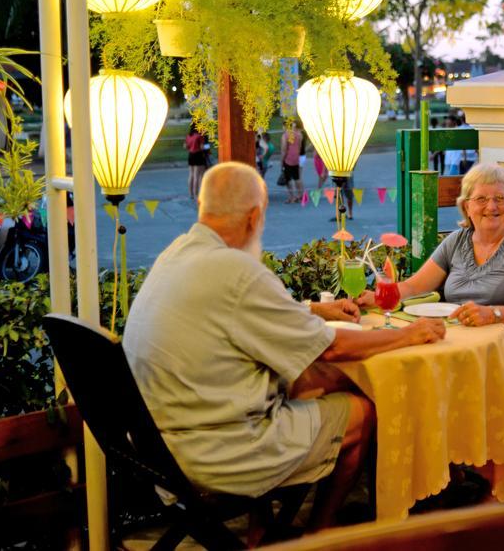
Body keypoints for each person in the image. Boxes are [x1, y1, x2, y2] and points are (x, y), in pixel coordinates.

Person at [123, 163, 445, 530]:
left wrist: (314, 310)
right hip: (215, 452)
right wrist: (409, 335)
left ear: (203, 205)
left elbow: (238, 311)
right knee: (362, 411)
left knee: (316, 381)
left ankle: (267, 530)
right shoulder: (235, 270)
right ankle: (318, 533)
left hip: (159, 447)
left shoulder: (177, 254)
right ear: (255, 215)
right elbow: (332, 349)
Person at [358, 162, 504, 402]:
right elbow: (415, 286)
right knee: (410, 361)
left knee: (437, 377)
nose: (491, 206)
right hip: (467, 347)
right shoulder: (457, 241)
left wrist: (492, 314)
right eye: (481, 199)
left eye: (500, 198)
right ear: (467, 206)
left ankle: (457, 438)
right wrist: (378, 297)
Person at [184, 123, 209, 201]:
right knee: (197, 176)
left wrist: (191, 148)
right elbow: (202, 147)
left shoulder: (188, 136)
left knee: (191, 175)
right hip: (198, 155)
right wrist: (207, 147)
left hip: (190, 155)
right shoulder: (199, 136)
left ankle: (191, 194)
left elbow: (185, 146)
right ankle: (196, 194)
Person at [281, 124, 304, 204]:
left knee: (287, 179)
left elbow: (284, 149)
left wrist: (282, 161)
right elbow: (300, 147)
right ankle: (300, 195)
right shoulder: (299, 134)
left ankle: (292, 197)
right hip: (296, 159)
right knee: (297, 178)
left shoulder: (285, 135)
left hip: (288, 159)